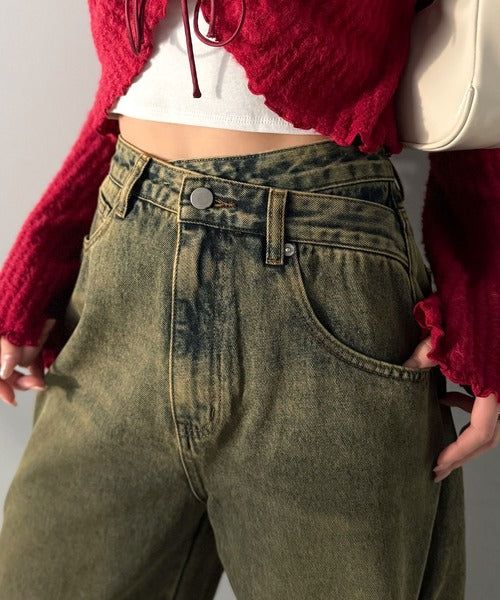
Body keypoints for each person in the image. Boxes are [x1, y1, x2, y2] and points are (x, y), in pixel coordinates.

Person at [0, 0, 498, 598]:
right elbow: (133, 82)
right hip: (122, 261)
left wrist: (484, 310)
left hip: (322, 273)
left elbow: (479, 56)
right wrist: (41, 259)